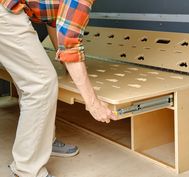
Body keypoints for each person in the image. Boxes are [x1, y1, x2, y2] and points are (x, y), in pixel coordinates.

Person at [0, 0, 117, 176]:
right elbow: (70, 43)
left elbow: (55, 24)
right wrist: (93, 103)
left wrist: (66, 66)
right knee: (41, 82)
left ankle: (42, 142)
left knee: (33, 80)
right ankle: (27, 170)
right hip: (5, 12)